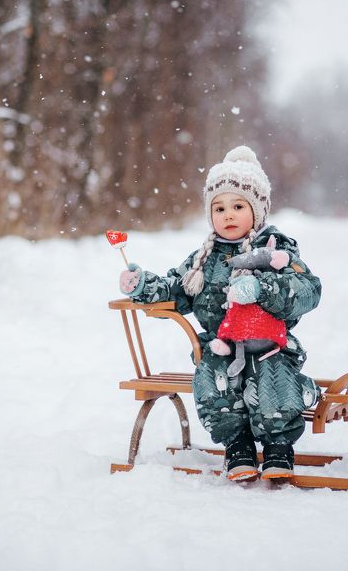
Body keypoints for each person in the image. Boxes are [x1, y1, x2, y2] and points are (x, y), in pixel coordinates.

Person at [118, 145, 322, 481]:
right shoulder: (205, 257)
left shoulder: (275, 248)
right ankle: (237, 446)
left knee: (273, 383)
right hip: (221, 344)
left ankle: (277, 449)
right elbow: (177, 289)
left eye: (238, 206)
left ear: (258, 211)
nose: (228, 215)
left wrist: (263, 289)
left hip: (268, 342)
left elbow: (308, 290)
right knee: (214, 383)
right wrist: (143, 286)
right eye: (219, 208)